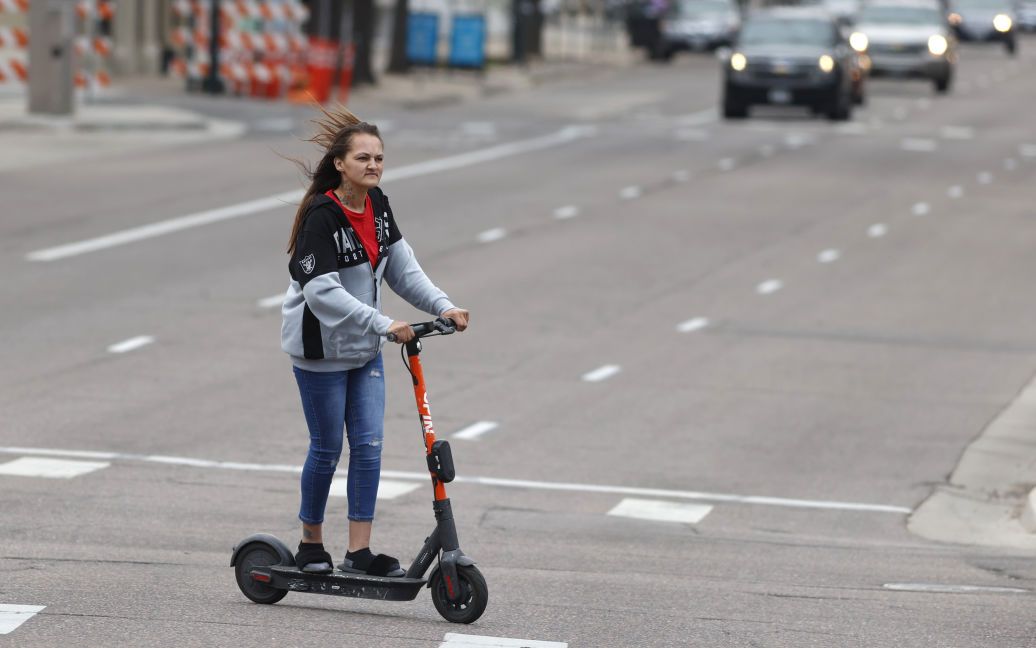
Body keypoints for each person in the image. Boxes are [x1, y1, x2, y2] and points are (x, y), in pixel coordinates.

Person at [281, 107, 469, 576]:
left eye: (379, 158)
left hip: (364, 350)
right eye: (363, 157)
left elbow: (403, 269)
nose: (373, 165)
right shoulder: (321, 216)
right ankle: (310, 545)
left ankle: (358, 552)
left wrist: (444, 306)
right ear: (340, 164)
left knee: (368, 446)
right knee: (327, 449)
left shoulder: (378, 206)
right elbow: (322, 294)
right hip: (321, 351)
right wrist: (382, 323)